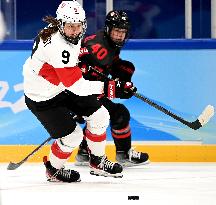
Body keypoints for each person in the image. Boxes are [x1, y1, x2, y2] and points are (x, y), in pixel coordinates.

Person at [22, 1, 134, 182]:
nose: (75, 30)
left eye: (78, 26)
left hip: (60, 86)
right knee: (73, 137)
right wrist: (111, 88)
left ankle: (97, 161)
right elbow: (77, 86)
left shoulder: (59, 31)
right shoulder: (58, 47)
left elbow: (72, 65)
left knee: (101, 115)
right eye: (70, 26)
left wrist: (83, 60)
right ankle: (54, 169)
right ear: (60, 24)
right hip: (42, 97)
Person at [75, 10, 149, 167]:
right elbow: (79, 71)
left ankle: (83, 151)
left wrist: (123, 79)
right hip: (79, 92)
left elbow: (109, 66)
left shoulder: (109, 43)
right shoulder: (97, 48)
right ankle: (122, 153)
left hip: (89, 89)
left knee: (126, 68)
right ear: (108, 29)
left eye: (123, 32)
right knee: (117, 113)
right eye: (117, 31)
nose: (120, 35)